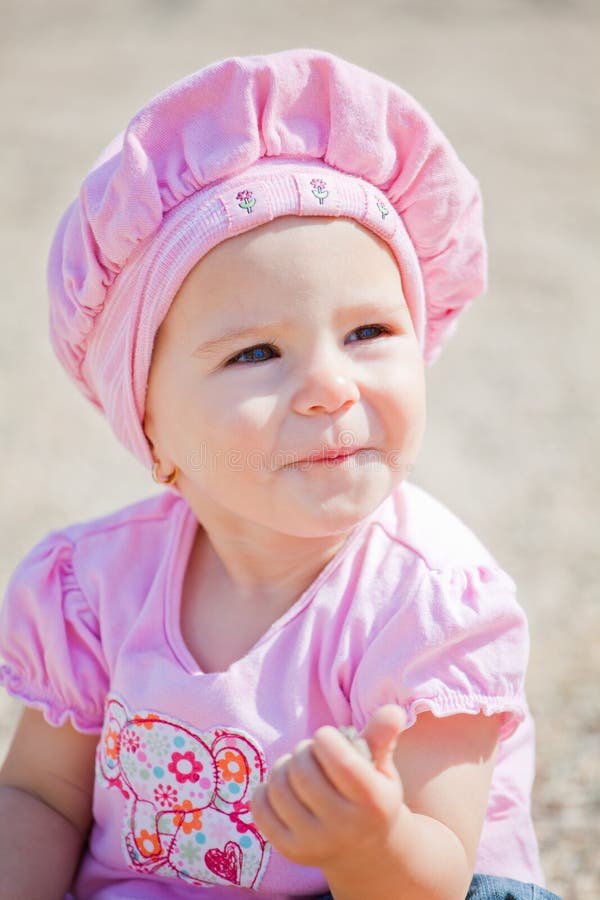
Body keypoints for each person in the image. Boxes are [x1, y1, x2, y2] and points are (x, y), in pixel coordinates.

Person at [0, 49, 561, 900]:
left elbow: (440, 874)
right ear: (152, 433)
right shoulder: (94, 591)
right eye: (257, 352)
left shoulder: (432, 606)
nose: (331, 386)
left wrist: (368, 841)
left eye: (369, 331)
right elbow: (40, 794)